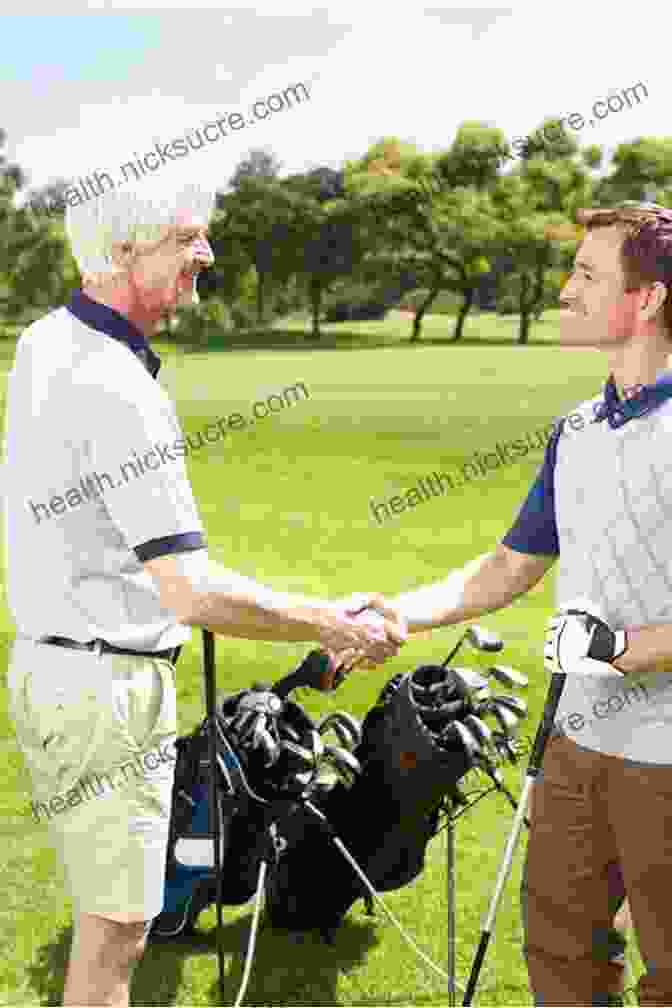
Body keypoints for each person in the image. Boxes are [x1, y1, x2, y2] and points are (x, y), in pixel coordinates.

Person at [1, 179, 406, 1008]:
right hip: (103, 687)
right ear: (122, 252)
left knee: (109, 915)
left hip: (62, 669)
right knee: (119, 931)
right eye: (187, 238)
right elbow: (189, 591)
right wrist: (331, 623)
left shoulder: (48, 340)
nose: (207, 255)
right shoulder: (116, 386)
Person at [381, 202, 672, 1005]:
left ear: (646, 300)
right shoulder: (574, 432)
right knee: (561, 954)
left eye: (587, 274)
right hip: (579, 744)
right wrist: (395, 613)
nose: (565, 290)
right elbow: (510, 566)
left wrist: (624, 647)